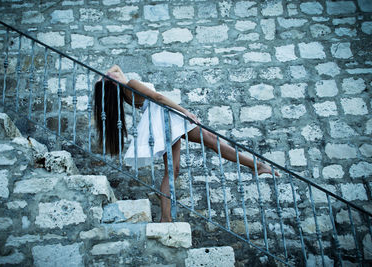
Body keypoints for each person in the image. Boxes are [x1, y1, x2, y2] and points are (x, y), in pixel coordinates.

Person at [94, 65, 279, 222]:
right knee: (212, 141)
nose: (116, 71)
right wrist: (185, 112)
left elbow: (115, 69)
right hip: (168, 117)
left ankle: (165, 219)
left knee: (173, 171)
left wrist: (107, 79)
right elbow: (158, 97)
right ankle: (257, 166)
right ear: (112, 81)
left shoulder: (125, 92)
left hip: (162, 121)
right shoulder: (131, 85)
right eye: (113, 75)